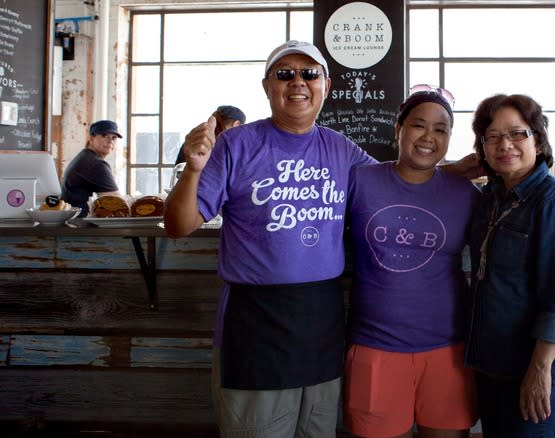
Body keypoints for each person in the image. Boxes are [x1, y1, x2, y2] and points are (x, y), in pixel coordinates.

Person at [164, 39, 481, 437]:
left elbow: (399, 179)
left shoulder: (340, 148)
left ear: (325, 86)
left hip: (322, 319)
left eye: (309, 74)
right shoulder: (236, 144)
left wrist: (457, 171)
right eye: (285, 74)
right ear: (267, 86)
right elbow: (179, 226)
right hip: (254, 318)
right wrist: (192, 170)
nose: (298, 82)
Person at [343, 87, 480, 438]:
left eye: (440, 129)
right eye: (418, 125)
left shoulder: (467, 195)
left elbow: (506, 242)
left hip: (449, 350)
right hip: (375, 348)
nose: (428, 137)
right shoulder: (360, 180)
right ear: (398, 129)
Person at [464, 94, 555, 437]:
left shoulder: (554, 202)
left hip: (539, 363)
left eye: (517, 134)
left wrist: (540, 368)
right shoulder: (490, 198)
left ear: (538, 138)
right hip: (493, 362)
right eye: (492, 136)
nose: (505, 144)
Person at [61, 120, 123, 217]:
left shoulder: (85, 157)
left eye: (114, 138)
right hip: (82, 225)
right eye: (104, 136)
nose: (110, 141)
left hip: (73, 221)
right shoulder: (95, 164)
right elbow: (118, 205)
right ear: (91, 138)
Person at [174, 105, 246, 165]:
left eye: (217, 126)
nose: (210, 129)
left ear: (237, 125)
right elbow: (179, 175)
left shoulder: (242, 151)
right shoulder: (195, 144)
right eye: (209, 123)